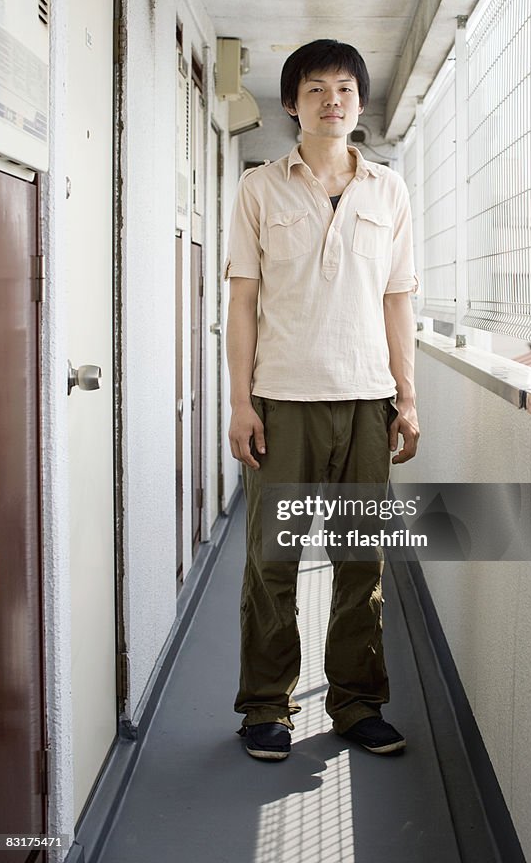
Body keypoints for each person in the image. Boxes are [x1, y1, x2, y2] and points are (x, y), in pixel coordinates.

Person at [224, 38, 419, 761]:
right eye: (314, 89)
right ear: (290, 103)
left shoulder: (389, 191)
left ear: (360, 104)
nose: (331, 100)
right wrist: (241, 403)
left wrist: (408, 398)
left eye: (343, 88)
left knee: (359, 559)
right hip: (281, 399)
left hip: (368, 400)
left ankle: (356, 704)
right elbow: (242, 302)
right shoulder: (258, 188)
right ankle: (265, 709)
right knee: (272, 565)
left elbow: (398, 300)